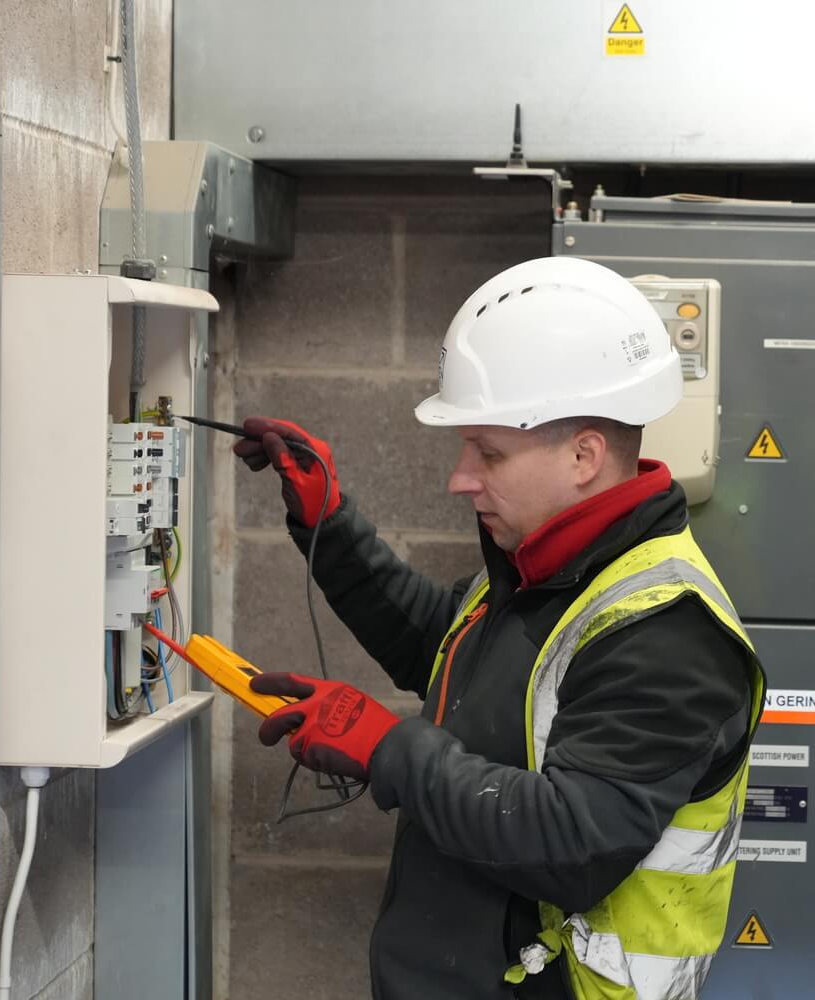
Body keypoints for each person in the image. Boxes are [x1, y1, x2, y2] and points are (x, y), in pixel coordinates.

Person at [234, 256, 767, 1000]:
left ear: (584, 455)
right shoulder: (545, 567)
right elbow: (445, 650)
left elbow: (568, 842)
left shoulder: (667, 633)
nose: (460, 476)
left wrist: (386, 748)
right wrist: (328, 520)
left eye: (487, 452)